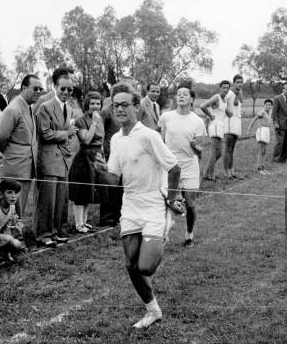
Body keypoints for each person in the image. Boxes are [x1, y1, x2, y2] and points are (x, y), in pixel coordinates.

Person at [94, 82, 184, 328]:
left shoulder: (148, 135)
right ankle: (153, 310)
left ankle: (163, 232)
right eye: (115, 106)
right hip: (130, 205)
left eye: (125, 105)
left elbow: (174, 167)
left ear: (136, 106)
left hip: (154, 205)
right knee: (131, 265)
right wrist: (101, 171)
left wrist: (172, 198)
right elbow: (114, 179)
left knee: (145, 267)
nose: (120, 109)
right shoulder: (115, 139)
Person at [35, 67, 78, 247]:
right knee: (47, 198)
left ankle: (57, 230)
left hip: (63, 159)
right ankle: (44, 234)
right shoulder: (45, 107)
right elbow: (44, 134)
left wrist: (68, 137)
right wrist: (66, 133)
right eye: (63, 89)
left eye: (69, 90)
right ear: (55, 87)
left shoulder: (69, 108)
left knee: (61, 197)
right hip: (47, 158)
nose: (66, 93)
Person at [158, 86, 207, 246]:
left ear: (192, 99)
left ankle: (189, 234)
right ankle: (164, 236)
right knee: (167, 203)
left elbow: (200, 151)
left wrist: (196, 148)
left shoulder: (198, 121)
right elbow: (159, 139)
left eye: (185, 94)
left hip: (190, 166)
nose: (181, 96)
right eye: (178, 94)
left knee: (190, 205)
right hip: (170, 167)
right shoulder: (166, 117)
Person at [0, 74, 43, 221]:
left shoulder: (28, 108)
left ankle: (16, 236)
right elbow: (1, 138)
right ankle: (8, 238)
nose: (39, 92)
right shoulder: (13, 109)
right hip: (15, 167)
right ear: (24, 88)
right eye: (35, 88)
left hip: (26, 167)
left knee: (19, 208)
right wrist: (10, 157)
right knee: (11, 208)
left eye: (41, 89)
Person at [68, 92, 105, 233]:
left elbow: (100, 140)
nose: (95, 106)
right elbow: (86, 140)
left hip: (96, 157)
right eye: (92, 103)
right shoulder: (81, 120)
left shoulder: (99, 119)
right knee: (81, 192)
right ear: (87, 105)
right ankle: (78, 224)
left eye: (98, 103)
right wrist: (94, 123)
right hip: (84, 159)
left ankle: (84, 221)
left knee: (90, 191)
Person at [200, 81, 232, 181]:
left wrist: (230, 113)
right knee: (215, 151)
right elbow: (203, 106)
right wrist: (210, 115)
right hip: (215, 125)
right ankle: (211, 175)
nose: (226, 90)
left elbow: (223, 110)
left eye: (227, 88)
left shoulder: (225, 99)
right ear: (220, 88)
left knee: (219, 153)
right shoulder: (216, 97)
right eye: (224, 88)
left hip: (221, 126)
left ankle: (206, 173)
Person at [99, 92, 122, 227]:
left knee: (119, 187)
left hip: (121, 151)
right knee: (109, 186)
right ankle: (107, 218)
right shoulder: (106, 111)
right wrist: (102, 149)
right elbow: (100, 131)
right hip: (109, 152)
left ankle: (117, 215)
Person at [223, 75, 244, 179]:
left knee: (232, 149)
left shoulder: (239, 94)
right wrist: (227, 112)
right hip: (229, 123)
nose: (240, 84)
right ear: (234, 82)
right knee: (228, 148)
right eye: (238, 82)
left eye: (241, 82)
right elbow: (221, 104)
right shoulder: (230, 93)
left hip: (237, 123)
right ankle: (226, 171)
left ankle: (232, 170)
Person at [247, 99, 273, 174]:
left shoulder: (270, 113)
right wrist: (249, 129)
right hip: (261, 130)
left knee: (264, 151)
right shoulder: (262, 112)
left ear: (271, 106)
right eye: (266, 105)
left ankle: (262, 167)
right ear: (264, 105)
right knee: (261, 150)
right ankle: (259, 168)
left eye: (269, 105)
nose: (268, 106)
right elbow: (254, 119)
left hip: (266, 131)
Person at [272, 82, 287, 163]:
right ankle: (275, 158)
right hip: (280, 123)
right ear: (283, 89)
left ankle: (283, 159)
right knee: (279, 142)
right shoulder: (277, 98)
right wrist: (275, 122)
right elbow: (274, 112)